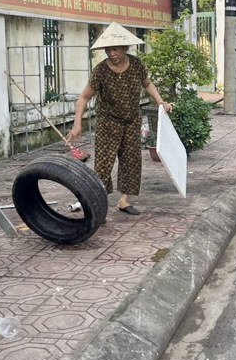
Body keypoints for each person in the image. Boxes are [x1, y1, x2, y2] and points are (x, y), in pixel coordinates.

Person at [66, 23, 172, 216]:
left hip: (132, 120)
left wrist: (161, 102)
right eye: (108, 49)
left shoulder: (137, 64)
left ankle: (123, 201)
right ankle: (99, 204)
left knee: (131, 160)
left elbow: (147, 84)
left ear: (125, 48)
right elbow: (84, 97)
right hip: (108, 122)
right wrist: (77, 124)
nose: (111, 53)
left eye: (115, 49)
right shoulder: (100, 71)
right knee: (104, 164)